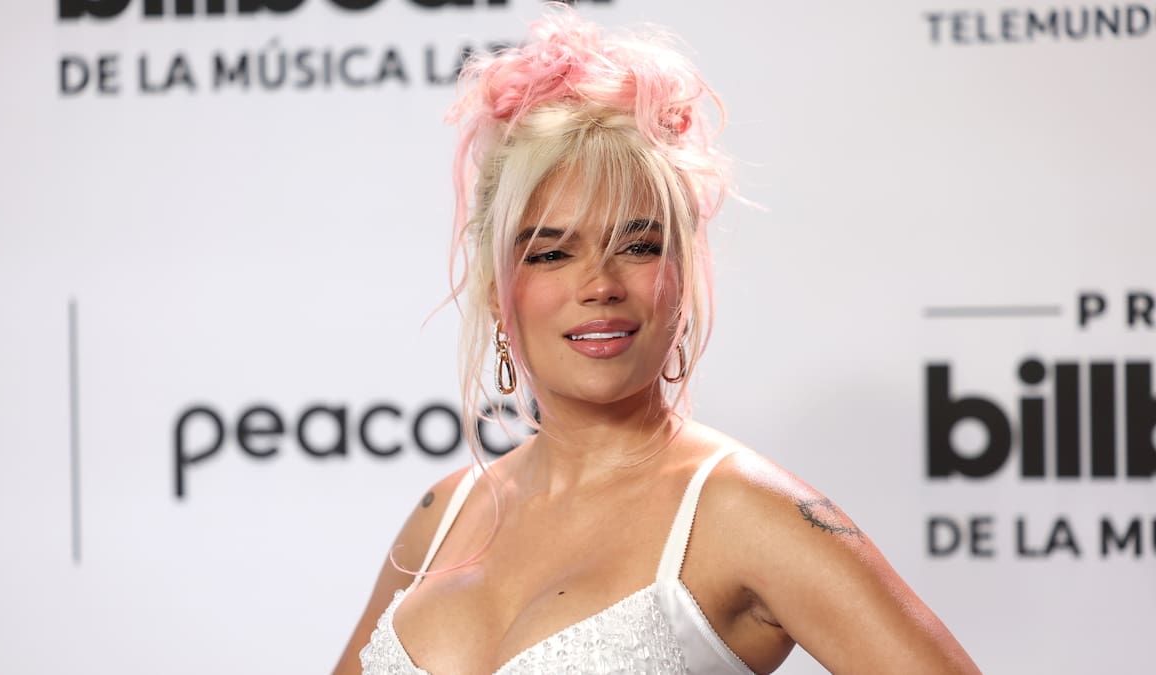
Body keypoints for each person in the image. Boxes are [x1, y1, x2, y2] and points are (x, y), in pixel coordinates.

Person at [334, 7, 980, 674]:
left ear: (681, 272)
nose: (600, 285)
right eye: (552, 253)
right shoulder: (443, 512)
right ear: (499, 289)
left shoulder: (741, 508)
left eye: (638, 246)